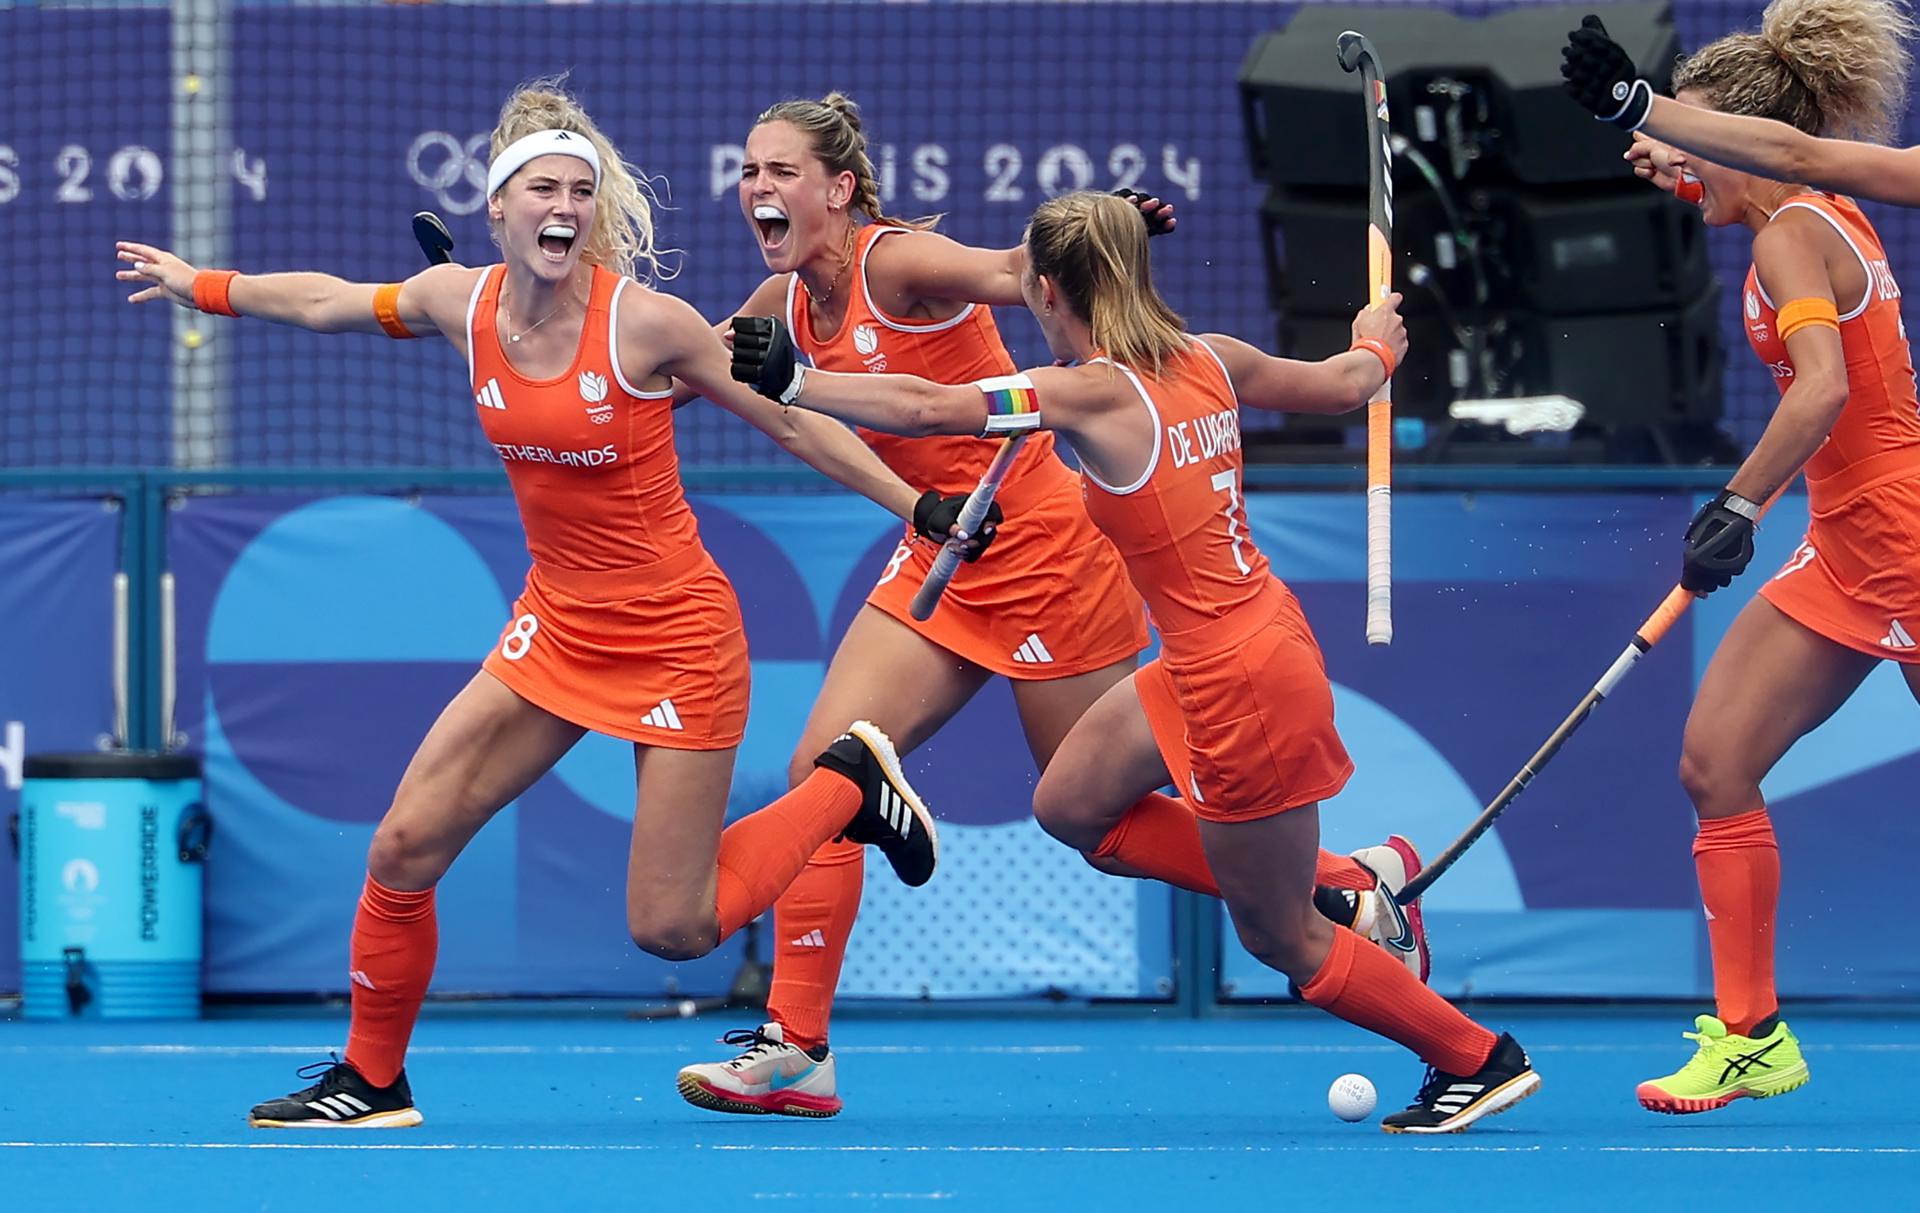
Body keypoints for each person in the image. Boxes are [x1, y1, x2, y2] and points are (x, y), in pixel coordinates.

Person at [116, 80, 956, 1128]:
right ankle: (373, 1079)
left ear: (590, 213)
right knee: (403, 845)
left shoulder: (649, 325)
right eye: (540, 188)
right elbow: (329, 298)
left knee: (674, 928)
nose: (562, 205)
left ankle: (849, 786)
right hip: (557, 626)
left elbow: (790, 422)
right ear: (501, 208)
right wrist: (206, 285)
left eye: (578, 190)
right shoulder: (456, 301)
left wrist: (915, 502)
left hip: (678, 635)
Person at [672, 95, 1433, 1119]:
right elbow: (680, 360)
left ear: (838, 188)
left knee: (1091, 809)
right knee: (828, 770)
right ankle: (797, 1047)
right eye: (750, 172)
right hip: (943, 549)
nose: (759, 188)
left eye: (780, 171)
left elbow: (1009, 270)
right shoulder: (782, 297)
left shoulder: (897, 263)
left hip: (1047, 548)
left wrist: (1096, 232)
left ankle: (1339, 883)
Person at [1575, 2, 1920, 1112]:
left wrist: (1736, 501)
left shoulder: (1792, 230)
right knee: (1716, 760)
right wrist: (1657, 135)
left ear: (1740, 132)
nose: (1673, 173)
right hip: (1845, 544)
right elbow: (1731, 171)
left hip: (1905, 544)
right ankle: (1751, 1034)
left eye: (1694, 141)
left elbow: (1821, 390)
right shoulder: (1801, 223)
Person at [1560, 4, 1920, 204]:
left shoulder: (1796, 237)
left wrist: (1637, 107)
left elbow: (1799, 159)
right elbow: (1795, 165)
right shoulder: (1824, 213)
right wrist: (1699, 181)